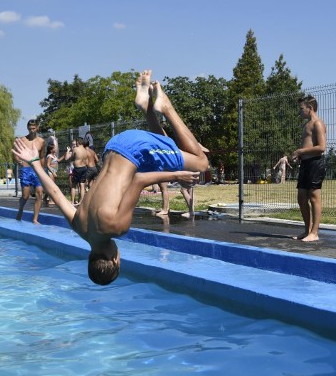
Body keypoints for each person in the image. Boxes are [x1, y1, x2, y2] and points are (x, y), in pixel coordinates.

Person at [12, 69, 208, 285]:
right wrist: (33, 163)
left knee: (200, 162)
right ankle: (146, 107)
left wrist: (176, 175)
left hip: (133, 150)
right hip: (113, 148)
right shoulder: (79, 226)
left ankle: (165, 107)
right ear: (90, 257)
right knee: (164, 145)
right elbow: (55, 192)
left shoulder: (117, 228)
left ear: (115, 260)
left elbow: (139, 181)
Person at [291, 95, 326, 242]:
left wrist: (301, 151)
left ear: (310, 108)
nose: (300, 112)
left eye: (301, 109)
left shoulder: (317, 124)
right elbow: (308, 144)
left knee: (314, 197)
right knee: (301, 197)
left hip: (316, 163)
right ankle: (307, 231)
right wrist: (300, 156)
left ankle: (315, 232)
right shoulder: (306, 125)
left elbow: (321, 148)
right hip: (305, 164)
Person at [15, 119, 45, 223]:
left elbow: (41, 157)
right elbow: (16, 153)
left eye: (34, 128)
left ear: (37, 128)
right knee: (25, 196)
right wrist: (18, 161)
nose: (32, 130)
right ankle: (20, 210)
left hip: (37, 170)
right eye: (30, 128)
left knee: (39, 193)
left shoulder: (41, 141)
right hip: (26, 170)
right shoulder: (22, 140)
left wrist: (42, 171)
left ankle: (35, 219)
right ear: (28, 128)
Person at [44, 139, 59, 205]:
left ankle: (45, 198)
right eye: (54, 148)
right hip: (51, 171)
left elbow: (57, 160)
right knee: (51, 186)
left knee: (52, 185)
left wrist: (65, 155)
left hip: (54, 170)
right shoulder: (49, 156)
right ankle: (50, 200)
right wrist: (53, 172)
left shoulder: (54, 156)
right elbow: (48, 165)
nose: (55, 149)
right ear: (51, 150)